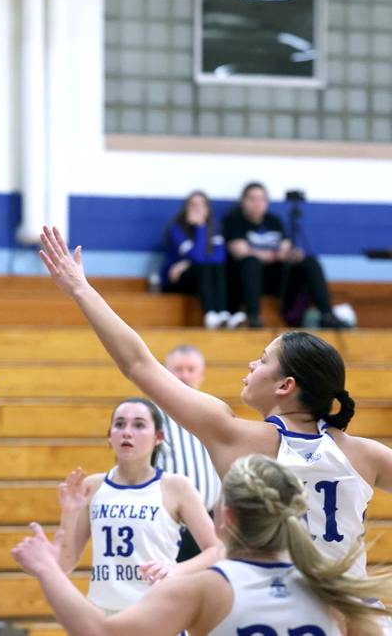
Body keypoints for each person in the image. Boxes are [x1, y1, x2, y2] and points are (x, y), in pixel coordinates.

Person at [38, 224, 392, 579]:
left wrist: (81, 290)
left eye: (263, 359)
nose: (253, 365)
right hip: (352, 613)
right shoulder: (368, 453)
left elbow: (137, 364)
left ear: (285, 386)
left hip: (278, 615)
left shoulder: (234, 436)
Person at [13, 454, 392, 635]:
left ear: (225, 516)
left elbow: (102, 633)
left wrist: (48, 571)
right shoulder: (333, 589)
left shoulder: (205, 587)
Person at [57, 397, 222, 614]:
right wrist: (68, 515)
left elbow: (216, 550)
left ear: (158, 437)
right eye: (119, 424)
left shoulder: (176, 486)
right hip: (104, 617)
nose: (127, 432)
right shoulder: (92, 486)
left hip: (158, 614)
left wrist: (175, 570)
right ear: (110, 436)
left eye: (139, 425)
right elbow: (65, 564)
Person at [222, 182, 345, 328]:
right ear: (243, 201)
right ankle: (253, 318)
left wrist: (293, 255)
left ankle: (327, 315)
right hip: (246, 279)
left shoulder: (274, 221)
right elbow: (240, 251)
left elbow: (285, 248)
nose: (257, 203)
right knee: (251, 262)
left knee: (309, 262)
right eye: (252, 199)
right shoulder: (233, 220)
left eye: (261, 199)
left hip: (276, 277)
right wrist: (274, 255)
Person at [156, 345, 220, 562]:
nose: (184, 375)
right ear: (165, 372)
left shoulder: (215, 413)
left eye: (191, 369)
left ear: (201, 375)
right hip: (167, 522)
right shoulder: (151, 417)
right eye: (178, 369)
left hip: (210, 520)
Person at [161, 191, 244, 329]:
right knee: (204, 267)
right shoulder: (177, 230)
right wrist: (200, 227)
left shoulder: (214, 228)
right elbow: (198, 257)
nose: (197, 209)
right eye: (193, 205)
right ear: (186, 208)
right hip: (176, 279)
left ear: (207, 209)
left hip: (203, 275)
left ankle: (225, 313)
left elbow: (220, 258)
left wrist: (187, 263)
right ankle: (210, 314)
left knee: (225, 268)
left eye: (201, 205)